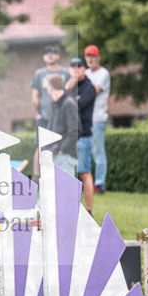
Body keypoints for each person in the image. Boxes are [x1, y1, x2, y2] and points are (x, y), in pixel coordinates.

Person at [30, 44, 69, 177]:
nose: (50, 55)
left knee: (61, 146)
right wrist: (39, 111)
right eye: (47, 53)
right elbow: (35, 95)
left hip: (61, 117)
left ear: (58, 56)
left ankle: (59, 176)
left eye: (53, 52)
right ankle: (37, 177)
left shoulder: (65, 73)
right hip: (45, 117)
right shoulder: (39, 74)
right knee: (41, 146)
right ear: (44, 57)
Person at [66, 57, 97, 212]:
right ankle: (73, 209)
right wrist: (68, 90)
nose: (75, 70)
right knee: (69, 174)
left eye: (79, 67)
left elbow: (77, 105)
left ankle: (89, 210)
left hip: (84, 135)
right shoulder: (69, 87)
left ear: (84, 69)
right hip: (70, 137)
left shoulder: (89, 88)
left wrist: (69, 96)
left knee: (84, 173)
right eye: (72, 67)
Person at [84, 45, 110, 193]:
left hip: (97, 118)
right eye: (88, 56)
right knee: (84, 151)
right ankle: (87, 183)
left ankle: (99, 184)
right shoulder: (85, 73)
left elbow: (93, 91)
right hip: (85, 118)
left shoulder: (103, 74)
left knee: (98, 152)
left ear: (98, 57)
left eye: (93, 56)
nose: (90, 59)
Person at [44, 75, 80, 176]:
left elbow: (75, 130)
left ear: (51, 87)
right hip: (54, 153)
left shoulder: (68, 103)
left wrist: (62, 149)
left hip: (64, 156)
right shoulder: (56, 104)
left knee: (66, 190)